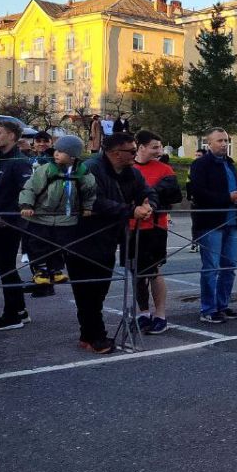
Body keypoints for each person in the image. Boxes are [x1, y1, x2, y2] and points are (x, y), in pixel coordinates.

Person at [72, 133, 156, 353]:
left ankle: (88, 335)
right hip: (81, 235)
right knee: (86, 289)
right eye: (132, 151)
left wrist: (149, 205)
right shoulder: (91, 168)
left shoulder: (132, 172)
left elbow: (147, 191)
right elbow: (94, 201)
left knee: (100, 288)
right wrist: (130, 210)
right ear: (116, 153)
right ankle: (95, 336)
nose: (135, 154)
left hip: (109, 237)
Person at [18, 135, 95, 296]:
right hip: (41, 215)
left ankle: (56, 269)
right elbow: (30, 187)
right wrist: (26, 205)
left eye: (61, 151)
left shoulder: (82, 172)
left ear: (73, 156)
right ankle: (40, 270)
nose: (56, 154)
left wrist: (87, 207)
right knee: (37, 244)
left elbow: (90, 192)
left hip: (65, 217)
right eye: (56, 150)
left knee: (59, 245)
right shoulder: (47, 169)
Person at [0, 121, 36, 331]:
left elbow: (26, 192)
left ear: (12, 135)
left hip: (8, 223)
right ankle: (20, 310)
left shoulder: (18, 161)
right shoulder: (0, 159)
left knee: (6, 267)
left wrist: (9, 216)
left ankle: (12, 315)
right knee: (6, 267)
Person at [188, 128, 237, 325]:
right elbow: (198, 193)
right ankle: (208, 308)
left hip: (231, 222)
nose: (224, 144)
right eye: (219, 140)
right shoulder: (200, 164)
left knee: (229, 267)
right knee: (211, 267)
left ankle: (222, 304)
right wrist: (227, 197)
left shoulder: (229, 163)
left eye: (226, 140)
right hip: (211, 223)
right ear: (209, 143)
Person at [131, 130, 181, 335]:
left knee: (154, 271)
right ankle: (143, 313)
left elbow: (175, 196)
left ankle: (160, 315)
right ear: (141, 147)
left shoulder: (165, 169)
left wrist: (152, 196)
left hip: (155, 227)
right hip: (131, 228)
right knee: (135, 272)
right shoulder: (128, 168)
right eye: (154, 147)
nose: (159, 151)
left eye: (160, 147)